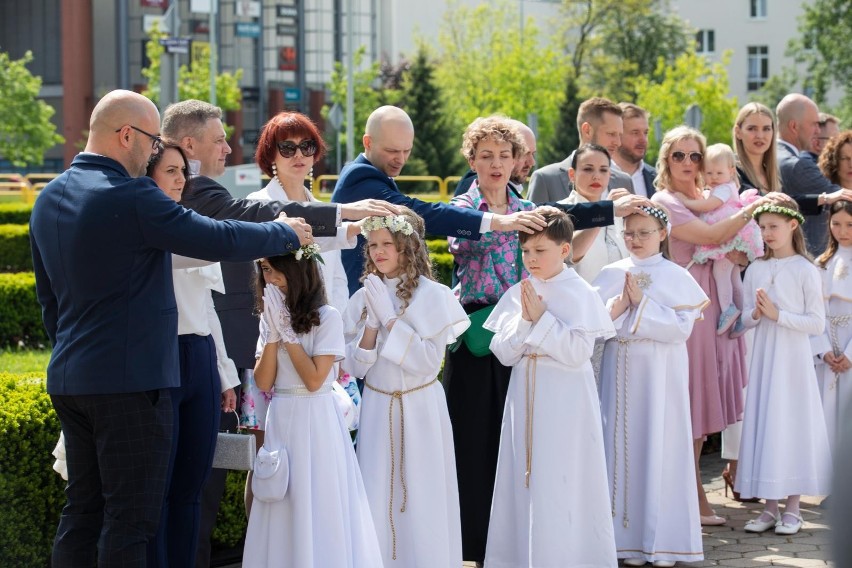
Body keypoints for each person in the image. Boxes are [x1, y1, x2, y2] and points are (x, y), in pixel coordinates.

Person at [29, 89, 310, 568]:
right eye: (150, 139)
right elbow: (212, 235)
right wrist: (284, 232)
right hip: (132, 383)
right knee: (130, 521)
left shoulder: (49, 196)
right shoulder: (133, 194)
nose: (155, 149)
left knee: (83, 512)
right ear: (125, 135)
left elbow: (48, 301)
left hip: (71, 379)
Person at [160, 100, 394, 560]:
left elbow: (327, 272)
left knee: (275, 470)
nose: (229, 147)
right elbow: (250, 218)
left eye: (309, 145)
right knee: (230, 472)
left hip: (290, 348)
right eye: (289, 147)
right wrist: (341, 213)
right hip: (242, 352)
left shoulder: (204, 191)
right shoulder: (200, 192)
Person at [650, 125, 773, 527]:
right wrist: (751, 208)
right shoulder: (665, 201)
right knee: (693, 398)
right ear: (666, 160)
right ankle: (689, 494)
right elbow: (711, 234)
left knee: (708, 395)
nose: (688, 163)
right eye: (679, 155)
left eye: (695, 155)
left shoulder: (708, 197)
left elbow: (733, 247)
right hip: (692, 306)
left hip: (720, 304)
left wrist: (737, 253)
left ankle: (690, 490)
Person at [482, 209, 617, 567]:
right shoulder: (518, 292)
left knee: (562, 478)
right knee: (523, 477)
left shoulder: (581, 293)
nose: (531, 259)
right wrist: (526, 323)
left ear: (564, 250)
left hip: (566, 400)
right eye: (526, 251)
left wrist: (542, 321)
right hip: (524, 395)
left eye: (540, 251)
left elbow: (577, 353)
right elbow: (504, 353)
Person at [343, 207, 469, 567]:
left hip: (421, 407)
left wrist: (391, 320)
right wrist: (370, 327)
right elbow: (354, 366)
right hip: (379, 408)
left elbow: (429, 362)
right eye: (373, 245)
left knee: (424, 491)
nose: (378, 251)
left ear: (407, 247)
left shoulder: (434, 295)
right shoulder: (363, 296)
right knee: (377, 490)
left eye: (387, 244)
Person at [241, 251, 382, 566]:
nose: (271, 279)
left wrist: (288, 334)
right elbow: (263, 382)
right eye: (265, 270)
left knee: (316, 499)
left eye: (277, 271)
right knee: (279, 495)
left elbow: (316, 380)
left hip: (316, 418)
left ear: (298, 271)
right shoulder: (270, 317)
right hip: (280, 413)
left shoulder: (327, 316)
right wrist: (273, 334)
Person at [593, 205, 708, 567]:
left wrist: (641, 306)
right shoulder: (610, 273)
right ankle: (621, 540)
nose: (635, 240)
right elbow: (593, 325)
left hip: (659, 374)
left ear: (662, 234)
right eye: (629, 232)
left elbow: (681, 329)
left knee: (658, 446)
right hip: (618, 368)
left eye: (644, 232)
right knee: (618, 449)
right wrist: (618, 306)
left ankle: (660, 544)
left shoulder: (675, 275)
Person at [332, 105, 551, 295]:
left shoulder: (377, 175)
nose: (401, 159)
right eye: (392, 151)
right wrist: (497, 221)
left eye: (407, 150)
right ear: (367, 142)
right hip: (362, 299)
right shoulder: (360, 177)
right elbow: (419, 212)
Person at [144, 143, 240, 567]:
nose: (182, 179)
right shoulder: (144, 226)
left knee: (193, 486)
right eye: (170, 171)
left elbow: (207, 309)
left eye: (183, 170)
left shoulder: (193, 222)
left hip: (200, 355)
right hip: (161, 359)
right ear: (148, 177)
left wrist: (224, 374)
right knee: (158, 487)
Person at [736, 203, 831, 535]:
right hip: (763, 356)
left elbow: (817, 322)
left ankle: (793, 507)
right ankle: (769, 508)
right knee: (767, 421)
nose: (766, 234)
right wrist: (758, 316)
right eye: (762, 228)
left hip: (791, 360)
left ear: (793, 225)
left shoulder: (806, 269)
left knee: (790, 423)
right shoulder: (757, 269)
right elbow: (746, 315)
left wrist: (780, 316)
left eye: (773, 226)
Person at [246, 111, 354, 314]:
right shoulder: (258, 203)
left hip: (326, 330)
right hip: (279, 325)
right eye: (287, 148)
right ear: (271, 155)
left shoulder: (324, 211)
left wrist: (335, 326)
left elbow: (337, 279)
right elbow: (259, 276)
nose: (299, 155)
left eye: (306, 146)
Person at [677, 143, 764, 334]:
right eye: (709, 173)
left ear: (731, 171)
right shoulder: (726, 186)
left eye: (718, 173)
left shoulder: (724, 189)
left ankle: (728, 310)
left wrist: (685, 201)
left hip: (728, 237)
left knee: (720, 273)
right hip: (732, 237)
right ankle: (743, 315)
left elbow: (709, 206)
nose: (713, 178)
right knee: (734, 278)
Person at [776, 94, 852, 254]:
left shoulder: (778, 156)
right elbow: (840, 195)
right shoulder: (797, 164)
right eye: (814, 124)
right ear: (794, 126)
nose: (817, 131)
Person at [528, 96, 633, 204]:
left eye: (620, 135)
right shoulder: (545, 179)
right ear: (587, 130)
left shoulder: (624, 181)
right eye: (611, 134)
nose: (618, 142)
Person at [558, 143, 629, 283]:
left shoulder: (620, 211)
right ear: (572, 174)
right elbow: (569, 256)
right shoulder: (559, 212)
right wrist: (604, 212)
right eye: (588, 169)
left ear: (610, 175)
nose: (596, 176)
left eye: (603, 170)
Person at [813, 200, 852, 454]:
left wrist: (849, 354)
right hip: (829, 349)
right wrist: (824, 349)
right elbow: (814, 313)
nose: (842, 231)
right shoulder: (820, 264)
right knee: (829, 416)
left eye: (849, 224)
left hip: (849, 348)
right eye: (836, 224)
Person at [453, 119, 537, 197]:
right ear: (472, 162)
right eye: (525, 153)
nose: (532, 162)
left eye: (504, 156)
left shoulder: (521, 204)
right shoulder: (471, 192)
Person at [612, 102, 657, 198]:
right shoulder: (598, 175)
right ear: (617, 134)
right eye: (635, 133)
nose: (643, 140)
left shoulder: (658, 179)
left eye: (645, 133)